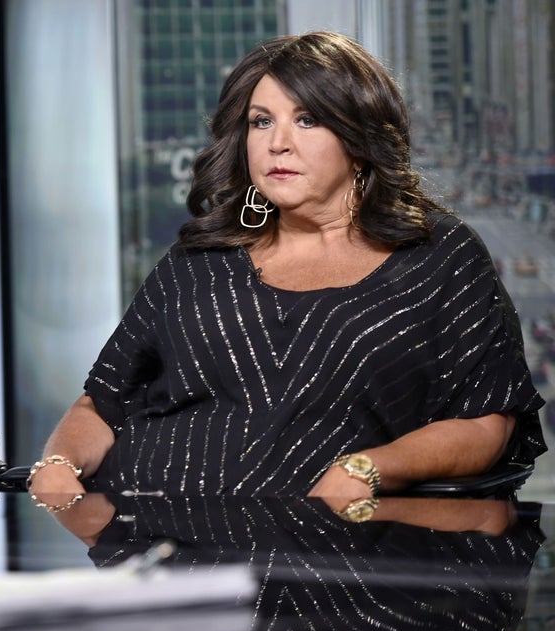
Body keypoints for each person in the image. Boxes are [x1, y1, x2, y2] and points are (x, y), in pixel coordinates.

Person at [28, 31, 546, 513]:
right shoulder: (196, 260)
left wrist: (368, 468)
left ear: (359, 140)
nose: (278, 143)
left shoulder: (439, 255)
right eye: (261, 122)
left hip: (346, 555)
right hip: (157, 540)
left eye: (307, 120)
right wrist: (57, 468)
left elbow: (488, 423)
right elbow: (101, 404)